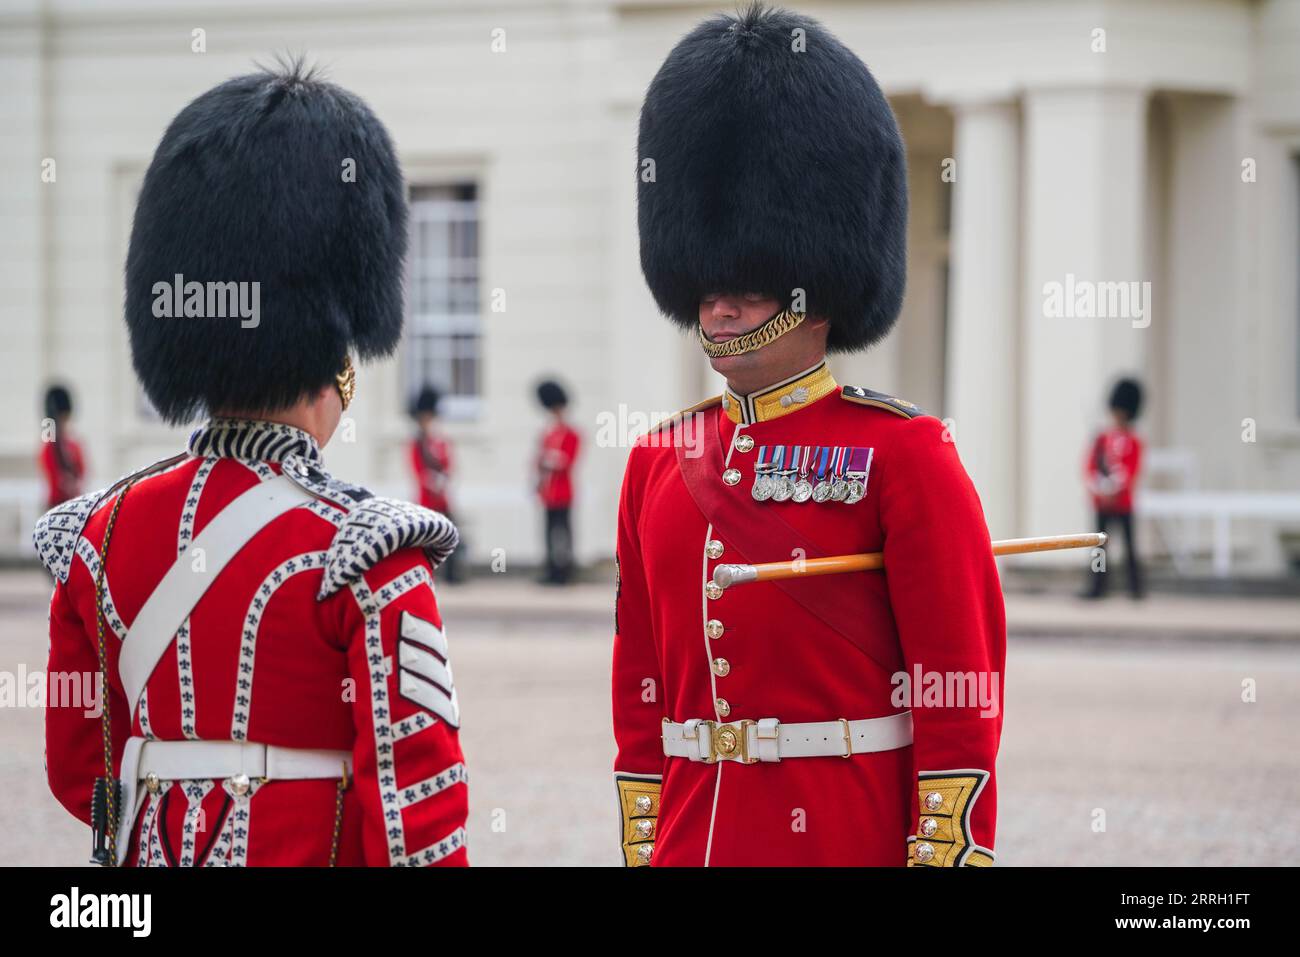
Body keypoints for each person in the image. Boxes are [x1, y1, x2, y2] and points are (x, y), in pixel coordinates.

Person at [34, 61, 468, 867]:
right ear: (341, 352)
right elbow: (418, 813)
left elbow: (78, 767)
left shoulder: (94, 537)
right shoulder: (370, 551)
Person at [611, 4, 1005, 867]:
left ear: (815, 286)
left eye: (748, 280)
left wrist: (943, 851)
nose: (719, 303)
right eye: (707, 279)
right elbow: (643, 695)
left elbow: (957, 692)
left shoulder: (906, 456)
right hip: (691, 841)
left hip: (840, 835)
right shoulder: (655, 463)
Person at [1082, 378, 1145, 599]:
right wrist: (1100, 488)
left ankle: (1136, 588)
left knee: (1129, 547)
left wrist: (1114, 489)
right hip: (1103, 501)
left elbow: (1131, 470)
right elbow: (1090, 466)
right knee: (1099, 548)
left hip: (1122, 501)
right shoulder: (1102, 439)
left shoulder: (1133, 441)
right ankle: (1097, 587)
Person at [410, 385, 463, 583]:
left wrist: (445, 481)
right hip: (426, 498)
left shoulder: (440, 441)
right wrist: (432, 481)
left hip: (443, 498)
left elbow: (449, 464)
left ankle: (451, 574)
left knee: (449, 536)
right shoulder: (417, 443)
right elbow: (417, 470)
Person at [535, 380, 580, 584]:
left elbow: (567, 461)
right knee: (548, 533)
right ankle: (551, 570)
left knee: (563, 533)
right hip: (548, 492)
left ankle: (565, 571)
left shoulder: (571, 434)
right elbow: (539, 460)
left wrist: (552, 459)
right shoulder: (548, 433)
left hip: (563, 492)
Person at [39, 384, 86, 509]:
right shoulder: (50, 443)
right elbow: (53, 477)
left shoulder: (73, 444)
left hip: (74, 503)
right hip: (56, 504)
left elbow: (82, 470)